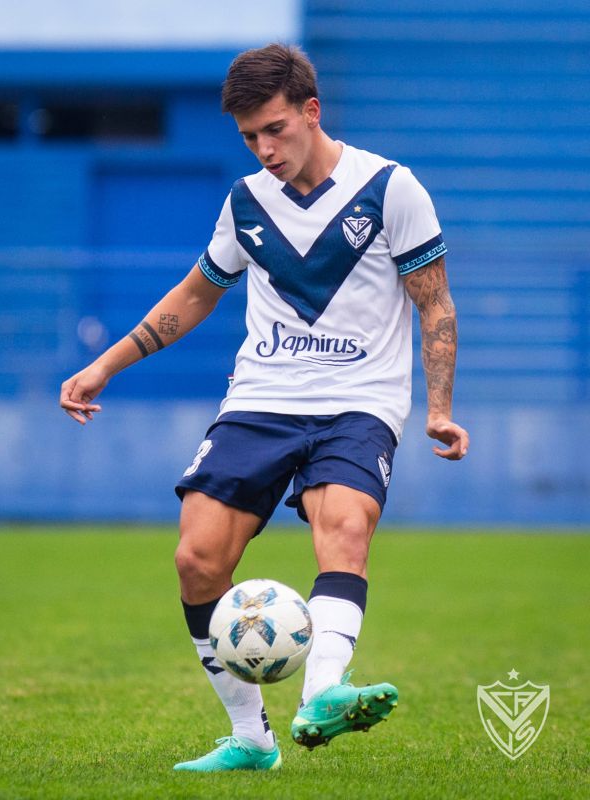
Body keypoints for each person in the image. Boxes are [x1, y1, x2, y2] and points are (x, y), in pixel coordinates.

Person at [60, 43, 469, 772]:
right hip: (261, 400)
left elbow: (434, 304)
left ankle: (322, 693)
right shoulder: (246, 201)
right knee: (196, 560)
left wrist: (439, 407)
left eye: (275, 129)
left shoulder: (390, 189)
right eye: (250, 137)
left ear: (311, 111)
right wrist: (104, 366)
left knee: (345, 526)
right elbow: (196, 294)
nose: (264, 149)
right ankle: (252, 739)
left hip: (358, 403)